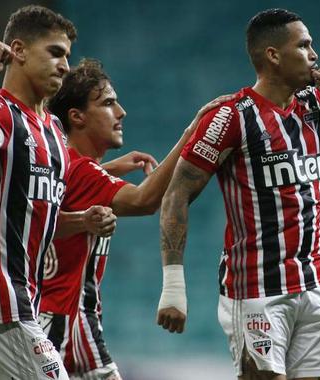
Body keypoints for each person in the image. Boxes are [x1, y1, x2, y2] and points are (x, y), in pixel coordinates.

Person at [156, 8, 320, 380]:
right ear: (273, 55)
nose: (314, 54)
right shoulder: (231, 116)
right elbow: (176, 195)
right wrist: (174, 284)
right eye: (304, 45)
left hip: (314, 284)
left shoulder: (314, 106)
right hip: (257, 288)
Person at [0, 6, 112, 380]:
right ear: (17, 50)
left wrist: (81, 221)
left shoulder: (52, 129)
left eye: (66, 55)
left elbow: (36, 216)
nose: (64, 65)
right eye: (54, 53)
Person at [38, 58, 232, 379]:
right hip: (61, 319)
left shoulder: (65, 162)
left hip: (73, 317)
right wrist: (190, 133)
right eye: (108, 103)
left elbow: (76, 182)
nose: (121, 112)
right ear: (77, 117)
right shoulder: (83, 171)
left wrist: (107, 169)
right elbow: (145, 200)